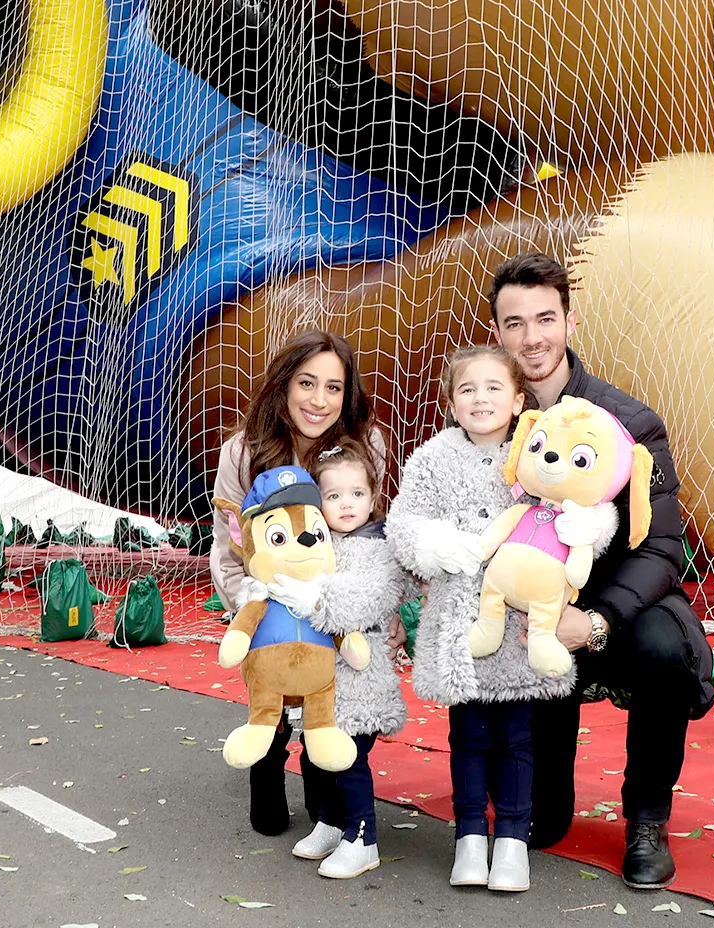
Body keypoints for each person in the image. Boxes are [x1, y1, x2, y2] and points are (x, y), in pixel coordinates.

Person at [487, 252, 714, 891]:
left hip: (612, 609)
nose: (532, 338)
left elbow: (662, 549)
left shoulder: (629, 423)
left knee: (665, 648)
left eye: (545, 319)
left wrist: (595, 619)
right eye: (514, 323)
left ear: (570, 321)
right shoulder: (489, 417)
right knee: (544, 820)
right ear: (498, 332)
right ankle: (536, 792)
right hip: (527, 613)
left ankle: (648, 818)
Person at [387, 343, 558, 893]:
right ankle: (468, 837)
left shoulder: (535, 451)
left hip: (518, 623)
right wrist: (433, 544)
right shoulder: (432, 458)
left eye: (493, 387)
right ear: (451, 401)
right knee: (468, 734)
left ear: (518, 398)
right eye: (467, 389)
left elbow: (567, 506)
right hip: (459, 621)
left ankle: (511, 839)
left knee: (517, 736)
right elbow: (403, 523)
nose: (480, 398)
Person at [209, 329, 388, 836]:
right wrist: (249, 609)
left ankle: (319, 768)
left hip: (331, 607)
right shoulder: (243, 450)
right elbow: (227, 546)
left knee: (324, 697)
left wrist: (356, 609)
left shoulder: (366, 445)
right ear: (284, 384)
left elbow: (372, 535)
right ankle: (266, 767)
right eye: (307, 383)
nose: (319, 400)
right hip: (267, 604)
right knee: (271, 689)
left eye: (334, 387)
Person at [277, 438, 409, 879]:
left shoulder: (381, 549)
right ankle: (332, 822)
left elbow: (366, 599)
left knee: (348, 757)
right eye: (333, 496)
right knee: (318, 755)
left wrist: (315, 599)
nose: (347, 504)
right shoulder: (317, 545)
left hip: (360, 680)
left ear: (373, 497)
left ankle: (362, 837)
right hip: (318, 676)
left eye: (356, 493)